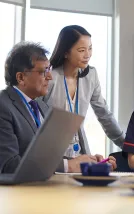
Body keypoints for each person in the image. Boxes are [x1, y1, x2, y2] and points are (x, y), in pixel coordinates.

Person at [0, 42, 108, 173]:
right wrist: (68, 165)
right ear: (21, 77)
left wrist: (85, 162)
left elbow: (46, 159)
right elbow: (9, 165)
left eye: (49, 70)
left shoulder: (41, 106)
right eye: (43, 71)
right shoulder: (4, 107)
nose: (50, 77)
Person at [43, 25, 121, 171]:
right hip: (53, 157)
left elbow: (104, 114)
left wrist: (128, 146)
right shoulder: (50, 77)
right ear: (66, 52)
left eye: (90, 48)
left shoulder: (90, 75)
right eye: (81, 50)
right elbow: (34, 118)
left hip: (79, 155)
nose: (88, 54)